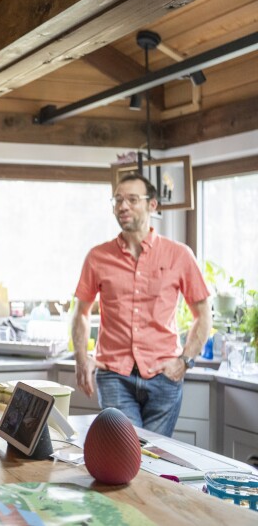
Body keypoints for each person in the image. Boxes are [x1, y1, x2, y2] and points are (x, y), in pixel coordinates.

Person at [71, 172, 211, 436]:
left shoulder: (179, 255)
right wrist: (81, 357)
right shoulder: (97, 257)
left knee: (156, 456)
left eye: (132, 199)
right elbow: (81, 312)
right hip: (114, 375)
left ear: (152, 205)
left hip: (164, 375)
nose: (123, 206)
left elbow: (203, 314)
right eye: (118, 200)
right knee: (126, 450)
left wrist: (185, 361)